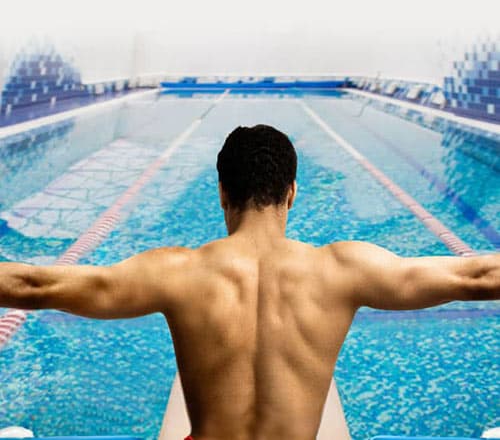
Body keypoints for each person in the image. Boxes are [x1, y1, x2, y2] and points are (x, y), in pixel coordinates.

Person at [0, 124, 498, 440]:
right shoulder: (341, 269)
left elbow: (34, 286)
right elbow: (474, 275)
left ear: (221, 193)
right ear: (292, 193)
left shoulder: (178, 272)